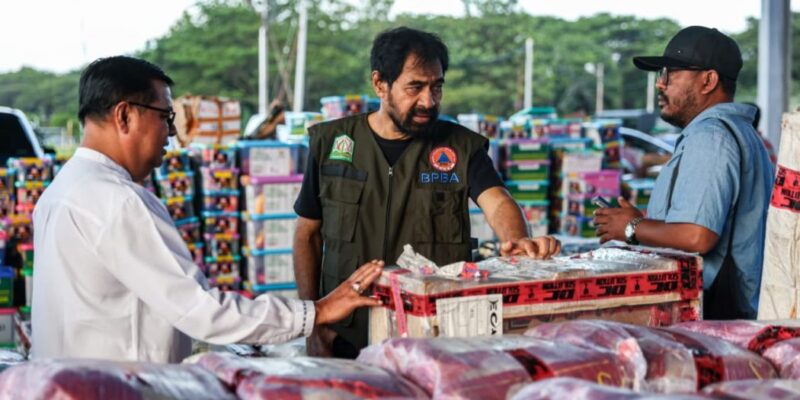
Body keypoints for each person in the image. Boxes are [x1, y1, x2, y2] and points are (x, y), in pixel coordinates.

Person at [31, 56, 385, 363]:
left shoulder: (61, 190)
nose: (172, 132)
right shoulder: (118, 200)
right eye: (165, 116)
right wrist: (316, 312)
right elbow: (200, 310)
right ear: (124, 115)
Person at [293, 27, 561, 359]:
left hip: (435, 339)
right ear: (380, 84)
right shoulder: (332, 143)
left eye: (437, 87)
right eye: (415, 87)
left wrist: (518, 240)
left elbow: (498, 201)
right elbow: (307, 235)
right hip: (346, 335)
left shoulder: (461, 147)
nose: (428, 101)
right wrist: (313, 322)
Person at [593, 26, 774, 320]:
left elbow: (697, 236)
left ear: (708, 80)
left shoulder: (711, 136)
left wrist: (633, 227)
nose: (660, 85)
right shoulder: (738, 132)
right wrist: (648, 223)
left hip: (714, 315)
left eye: (669, 74)